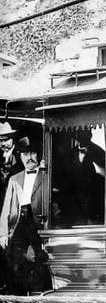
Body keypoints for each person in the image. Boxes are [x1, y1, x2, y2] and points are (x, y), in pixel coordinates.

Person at [1, 136, 49, 294]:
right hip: (19, 222)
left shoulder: (46, 175)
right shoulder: (15, 179)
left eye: (33, 153)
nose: (29, 157)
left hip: (38, 223)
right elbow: (6, 210)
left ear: (38, 155)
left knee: (39, 260)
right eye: (25, 154)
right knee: (15, 263)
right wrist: (2, 234)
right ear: (20, 156)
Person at [0, 122, 22, 202]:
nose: (2, 144)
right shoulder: (1, 155)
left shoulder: (19, 154)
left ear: (13, 139)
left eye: (6, 140)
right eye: (0, 141)